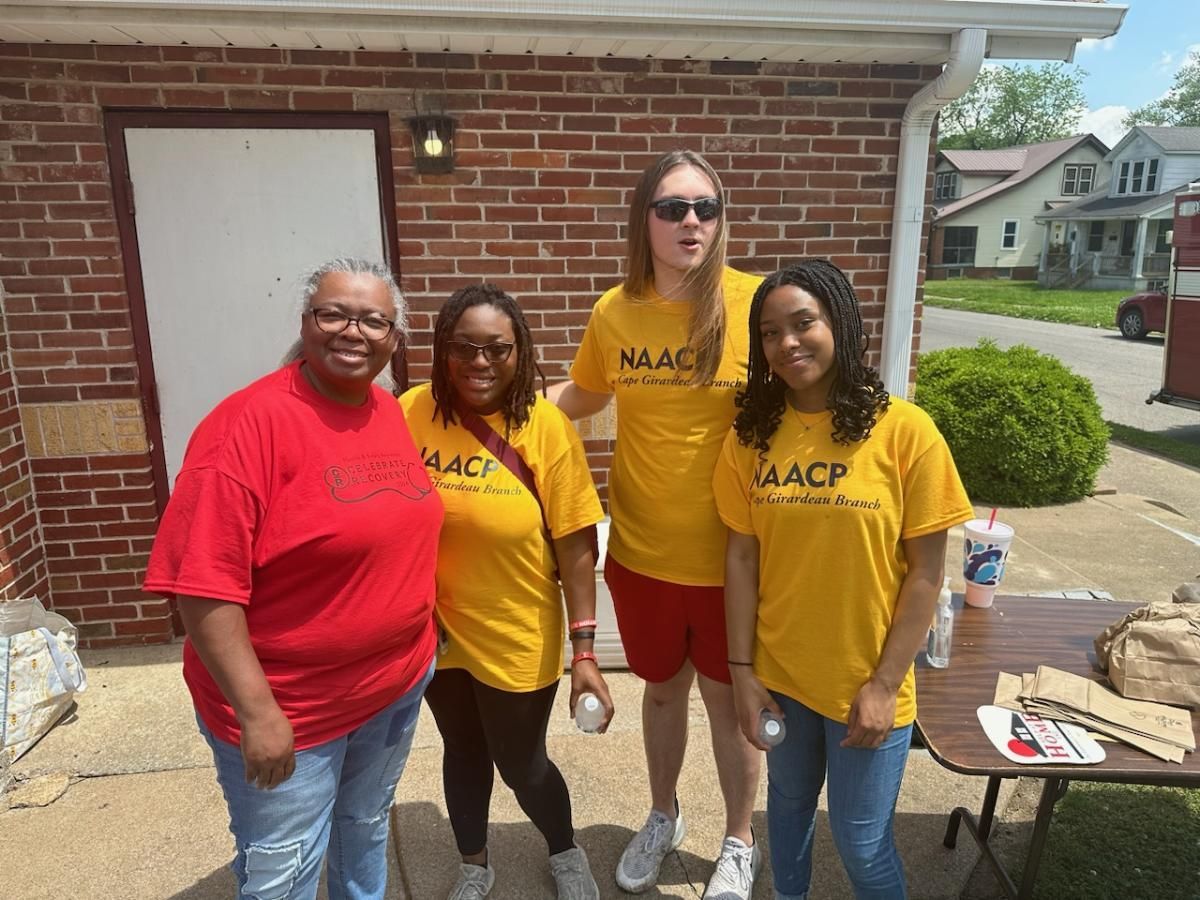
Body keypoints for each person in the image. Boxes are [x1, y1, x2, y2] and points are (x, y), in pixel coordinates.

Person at [143, 258, 443, 900]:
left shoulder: (387, 411)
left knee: (363, 827)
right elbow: (202, 585)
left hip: (391, 687)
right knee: (284, 870)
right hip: (291, 708)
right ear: (306, 322)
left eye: (373, 320)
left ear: (394, 338)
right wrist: (258, 714)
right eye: (332, 313)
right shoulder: (245, 427)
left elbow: (395, 532)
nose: (352, 332)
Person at [714, 259, 974, 899]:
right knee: (789, 818)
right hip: (783, 678)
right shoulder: (752, 437)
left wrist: (885, 684)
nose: (787, 343)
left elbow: (925, 576)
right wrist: (743, 676)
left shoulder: (906, 433)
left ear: (841, 323)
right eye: (770, 333)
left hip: (865, 681)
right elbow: (741, 562)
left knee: (861, 844)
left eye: (803, 323)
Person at [551, 150, 765, 900]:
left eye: (706, 207)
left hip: (734, 557)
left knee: (729, 700)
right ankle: (662, 814)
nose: (692, 222)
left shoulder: (756, 302)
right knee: (663, 691)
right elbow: (580, 393)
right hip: (640, 551)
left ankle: (740, 839)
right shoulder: (615, 310)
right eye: (673, 207)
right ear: (643, 219)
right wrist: (493, 424)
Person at [401, 283, 614, 900]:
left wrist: (585, 652)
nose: (480, 362)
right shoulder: (409, 411)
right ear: (442, 350)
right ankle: (474, 863)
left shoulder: (543, 425)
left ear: (520, 351)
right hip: (436, 631)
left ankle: (565, 850)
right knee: (462, 750)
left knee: (521, 763)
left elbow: (576, 545)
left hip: (517, 628)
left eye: (497, 348)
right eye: (464, 347)